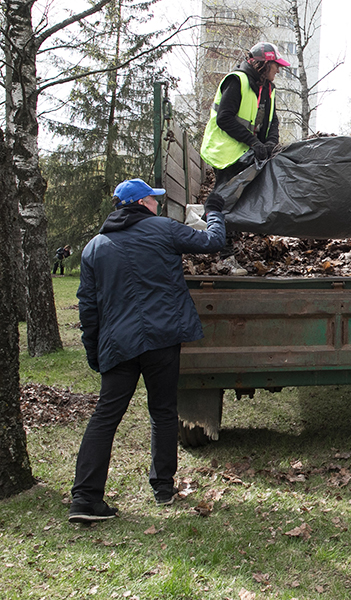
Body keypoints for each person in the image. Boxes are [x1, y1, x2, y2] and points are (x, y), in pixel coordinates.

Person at [68, 179, 226, 523]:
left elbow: (88, 308)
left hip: (118, 345)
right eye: (153, 199)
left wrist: (94, 352)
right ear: (140, 203)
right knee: (163, 411)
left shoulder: (95, 247)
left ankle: (84, 499)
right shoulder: (164, 229)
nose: (157, 203)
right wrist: (214, 212)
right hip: (162, 339)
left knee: (105, 418)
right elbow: (214, 242)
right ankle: (162, 488)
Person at [200, 41, 290, 276]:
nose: (278, 70)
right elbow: (224, 119)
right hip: (227, 150)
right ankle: (224, 257)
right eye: (276, 65)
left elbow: (272, 122)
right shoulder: (236, 80)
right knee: (225, 200)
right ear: (263, 64)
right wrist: (254, 143)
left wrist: (269, 144)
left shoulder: (268, 88)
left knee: (238, 199)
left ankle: (226, 244)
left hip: (247, 151)